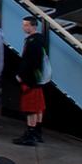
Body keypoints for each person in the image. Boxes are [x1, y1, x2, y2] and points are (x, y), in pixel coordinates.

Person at [15, 15, 49, 146]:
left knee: (30, 108)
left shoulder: (32, 41)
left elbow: (29, 61)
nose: (24, 27)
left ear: (33, 26)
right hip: (38, 79)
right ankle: (37, 131)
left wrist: (21, 75)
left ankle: (30, 133)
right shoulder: (41, 39)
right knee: (38, 107)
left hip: (30, 80)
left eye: (26, 25)